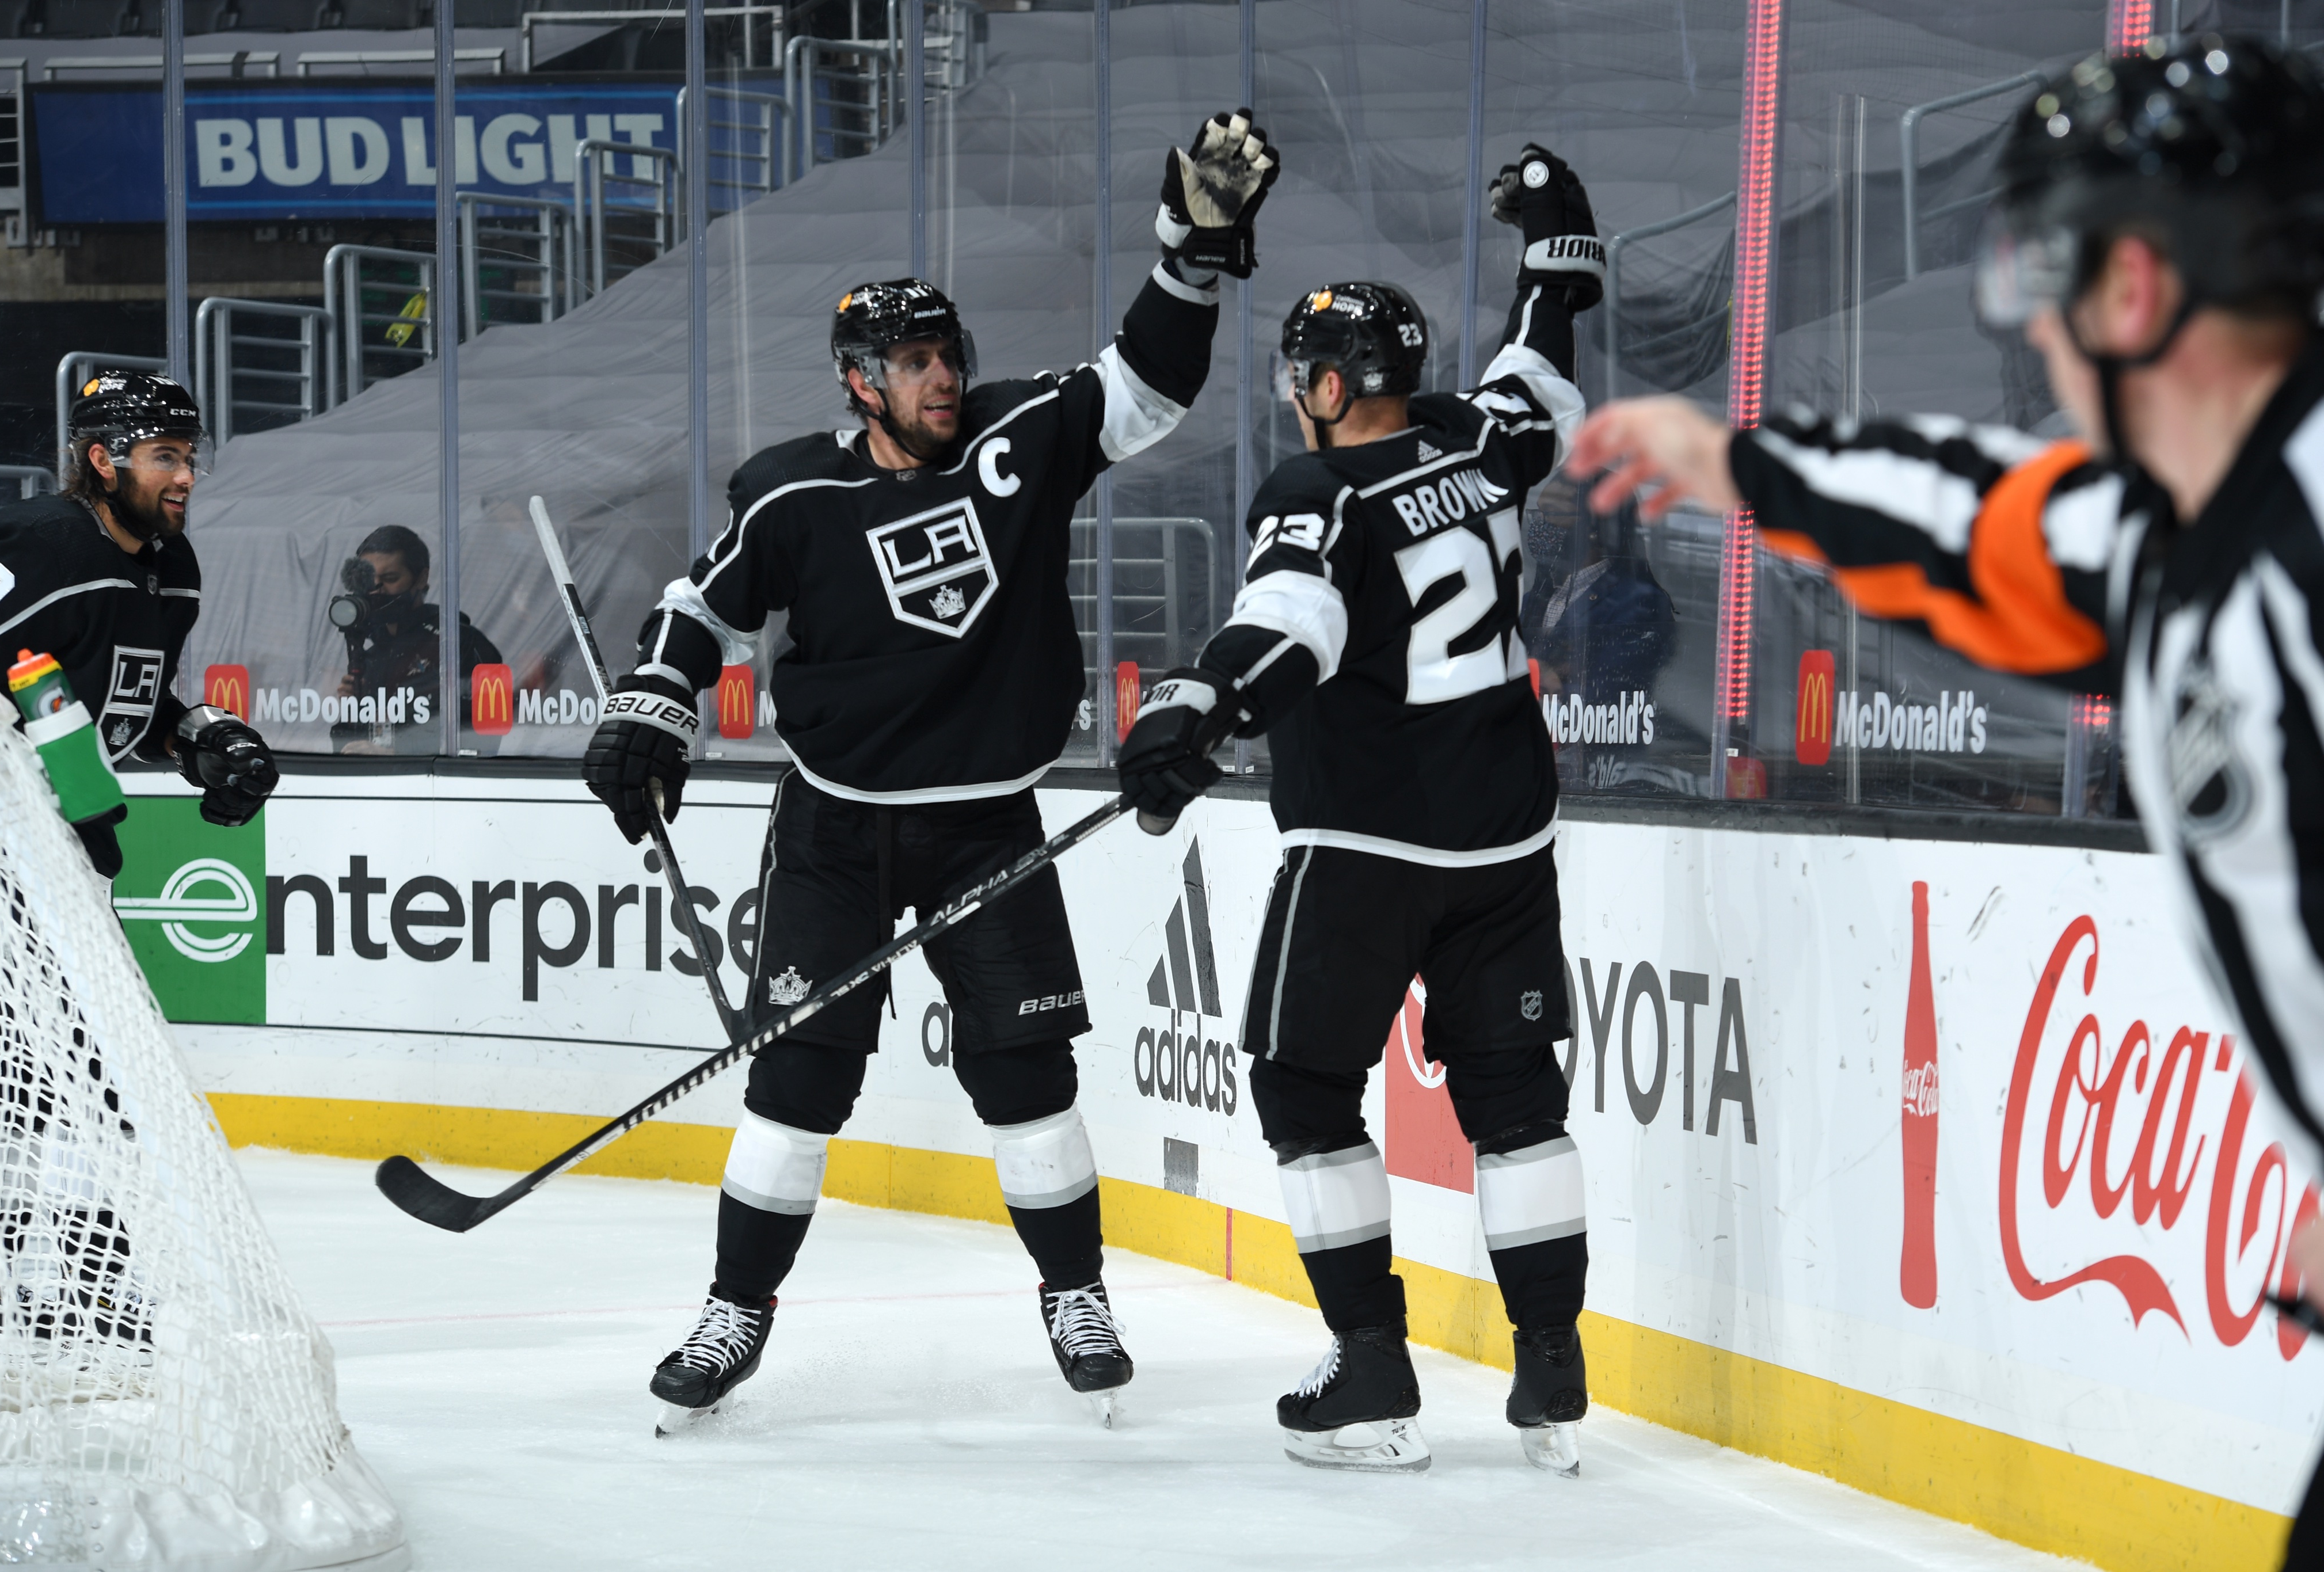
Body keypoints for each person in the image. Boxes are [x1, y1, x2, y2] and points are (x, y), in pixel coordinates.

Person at [1564, 36, 2324, 1560]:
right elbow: (1987, 527)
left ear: (2135, 288)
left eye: (2049, 268)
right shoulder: (2174, 524)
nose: (2031, 330)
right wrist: (1736, 465)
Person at [583, 111, 1280, 1433]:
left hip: (985, 829)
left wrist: (1192, 254)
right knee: (796, 1090)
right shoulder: (791, 495)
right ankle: (737, 1311)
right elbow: (702, 608)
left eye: (946, 353)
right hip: (837, 834)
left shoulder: (1020, 441)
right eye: (911, 363)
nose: (942, 377)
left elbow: (1146, 387)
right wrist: (649, 708)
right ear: (859, 382)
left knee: (1030, 1086)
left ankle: (1075, 1295)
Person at [1117, 141, 1601, 1475]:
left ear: (1331, 388)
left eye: (1304, 378)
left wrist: (1191, 711)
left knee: (1301, 1082)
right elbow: (1542, 374)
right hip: (1506, 840)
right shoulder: (1477, 444)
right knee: (1516, 1096)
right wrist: (1556, 242)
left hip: (1367, 844)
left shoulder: (1314, 490)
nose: (1296, 398)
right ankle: (1550, 1368)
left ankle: (1374, 1372)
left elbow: (1290, 619)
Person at [0, 371, 277, 876]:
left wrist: (198, 741)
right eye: (165, 457)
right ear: (103, 462)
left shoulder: (173, 570)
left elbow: (129, 703)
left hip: (65, 845)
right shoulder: (48, 547)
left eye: (190, 457)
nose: (187, 477)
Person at [328, 523, 502, 754]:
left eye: (390, 578)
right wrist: (353, 706)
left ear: (421, 578)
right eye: (368, 580)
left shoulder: (463, 644)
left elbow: (487, 740)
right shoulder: (370, 656)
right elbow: (349, 747)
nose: (377, 590)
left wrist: (399, 755)